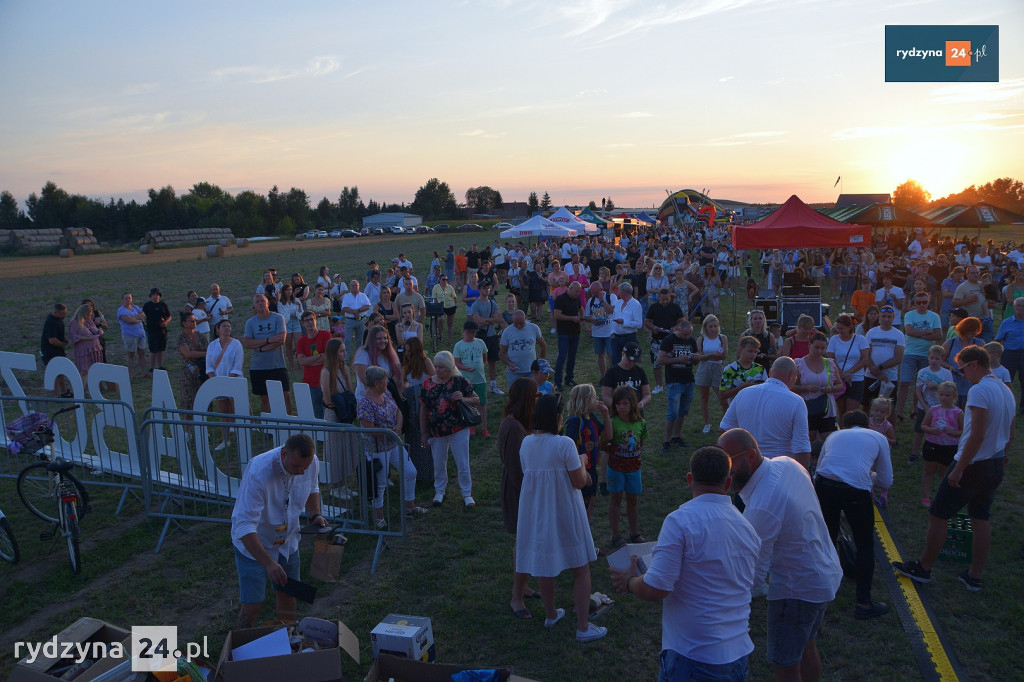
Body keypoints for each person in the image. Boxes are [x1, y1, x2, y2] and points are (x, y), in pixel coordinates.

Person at [610, 446, 761, 682]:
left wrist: (629, 581)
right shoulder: (747, 528)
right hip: (737, 655)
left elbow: (656, 588)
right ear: (728, 482)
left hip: (694, 656)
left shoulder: (680, 522)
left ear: (690, 479)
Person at [718, 428, 843, 682]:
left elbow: (752, 578)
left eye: (728, 462)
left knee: (785, 666)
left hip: (796, 591)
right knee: (807, 646)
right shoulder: (787, 464)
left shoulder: (763, 505)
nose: (723, 472)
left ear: (750, 456)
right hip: (824, 571)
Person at [893, 346, 1014, 592]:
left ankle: (924, 568)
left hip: (973, 463)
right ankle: (974, 576)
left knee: (938, 514)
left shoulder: (980, 390)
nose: (961, 375)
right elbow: (1010, 431)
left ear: (974, 365)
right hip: (995, 462)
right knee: (981, 517)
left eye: (962, 370)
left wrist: (959, 468)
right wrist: (1002, 455)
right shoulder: (1005, 389)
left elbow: (976, 435)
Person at [515, 394, 606, 642]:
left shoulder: (526, 444)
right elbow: (578, 482)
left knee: (545, 564)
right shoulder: (564, 443)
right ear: (557, 417)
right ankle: (583, 627)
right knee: (581, 567)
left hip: (537, 512)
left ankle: (551, 614)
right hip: (565, 510)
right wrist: (584, 464)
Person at [231, 433, 326, 627]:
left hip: (288, 542)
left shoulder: (311, 462)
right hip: (255, 545)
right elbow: (244, 525)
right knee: (252, 603)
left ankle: (288, 641)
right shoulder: (259, 471)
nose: (301, 472)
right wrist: (268, 564)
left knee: (289, 593)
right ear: (284, 454)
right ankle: (241, 649)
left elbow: (313, 487)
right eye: (296, 466)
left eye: (305, 467)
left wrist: (315, 515)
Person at [814, 410, 893, 620]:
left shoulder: (833, 436)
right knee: (865, 544)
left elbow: (819, 469)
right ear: (867, 424)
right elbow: (886, 481)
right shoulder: (878, 438)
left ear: (843, 424)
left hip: (824, 483)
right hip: (855, 490)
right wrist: (871, 476)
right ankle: (864, 603)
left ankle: (821, 591)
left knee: (826, 538)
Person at [358, 366, 426, 528]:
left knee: (410, 471)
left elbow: (398, 412)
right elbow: (368, 429)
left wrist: (398, 426)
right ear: (376, 383)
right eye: (384, 380)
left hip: (394, 443)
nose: (388, 382)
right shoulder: (364, 403)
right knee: (380, 483)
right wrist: (390, 432)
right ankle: (379, 517)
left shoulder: (386, 393)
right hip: (378, 449)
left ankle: (410, 507)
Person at [498, 378, 542, 619]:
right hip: (519, 492)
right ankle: (516, 598)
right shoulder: (513, 427)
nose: (538, 399)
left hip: (523, 490)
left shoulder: (518, 423)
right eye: (535, 396)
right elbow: (516, 468)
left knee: (524, 543)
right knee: (524, 544)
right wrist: (530, 497)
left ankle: (522, 585)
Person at [719, 357, 811, 467]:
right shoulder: (796, 401)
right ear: (792, 376)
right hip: (779, 468)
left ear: (771, 372)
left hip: (747, 465)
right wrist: (802, 477)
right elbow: (801, 447)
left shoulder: (743, 393)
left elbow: (725, 429)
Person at [420, 351, 480, 508]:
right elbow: (423, 409)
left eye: (441, 367)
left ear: (449, 368)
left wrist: (463, 398)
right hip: (436, 430)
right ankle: (439, 491)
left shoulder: (459, 381)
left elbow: (476, 399)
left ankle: (467, 493)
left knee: (462, 461)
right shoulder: (427, 384)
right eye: (436, 366)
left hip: (458, 428)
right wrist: (423, 433)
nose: (438, 370)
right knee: (438, 461)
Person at [606, 386, 648, 549]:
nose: (621, 407)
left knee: (633, 500)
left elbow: (642, 441)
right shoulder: (613, 423)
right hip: (616, 468)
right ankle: (616, 534)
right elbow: (606, 443)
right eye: (618, 404)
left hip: (633, 468)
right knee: (615, 500)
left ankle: (634, 532)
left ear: (633, 404)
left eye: (625, 403)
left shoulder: (640, 423)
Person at [563, 384, 611, 526]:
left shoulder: (593, 418)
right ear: (586, 400)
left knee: (590, 504)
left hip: (592, 469)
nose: (598, 399)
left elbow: (608, 435)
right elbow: (570, 448)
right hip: (580, 469)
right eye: (594, 397)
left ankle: (586, 540)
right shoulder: (575, 421)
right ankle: (578, 539)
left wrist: (606, 415)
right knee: (580, 507)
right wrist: (582, 470)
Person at [320, 337, 358, 500]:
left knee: (346, 447)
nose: (345, 353)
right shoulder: (326, 372)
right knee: (335, 450)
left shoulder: (345, 370)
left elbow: (350, 391)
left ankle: (343, 485)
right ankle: (335, 486)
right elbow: (327, 399)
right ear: (334, 353)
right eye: (341, 351)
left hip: (345, 414)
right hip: (333, 415)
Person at [897, 292, 943, 421]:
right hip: (910, 353)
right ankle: (899, 412)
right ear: (914, 303)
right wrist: (928, 332)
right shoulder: (909, 315)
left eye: (924, 302)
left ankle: (916, 410)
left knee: (921, 384)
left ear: (928, 302)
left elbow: (938, 335)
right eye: (918, 302)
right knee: (904, 383)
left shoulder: (934, 316)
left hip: (927, 355)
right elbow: (909, 331)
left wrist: (918, 334)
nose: (921, 305)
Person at [792, 332, 843, 447]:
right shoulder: (799, 364)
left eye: (822, 348)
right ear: (809, 345)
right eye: (816, 347)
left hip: (826, 408)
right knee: (807, 442)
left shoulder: (829, 363)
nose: (819, 351)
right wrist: (806, 388)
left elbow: (840, 385)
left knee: (830, 442)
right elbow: (791, 387)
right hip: (807, 408)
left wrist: (831, 388)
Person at [657, 319, 699, 452]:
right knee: (672, 413)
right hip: (674, 381)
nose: (687, 337)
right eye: (685, 334)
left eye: (689, 334)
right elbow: (660, 359)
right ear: (678, 330)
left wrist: (696, 358)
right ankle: (666, 440)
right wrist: (677, 359)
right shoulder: (668, 340)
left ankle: (676, 436)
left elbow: (696, 361)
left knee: (682, 412)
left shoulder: (692, 341)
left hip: (689, 381)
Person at [919, 381, 963, 507]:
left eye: (947, 395)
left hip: (950, 447)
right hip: (932, 444)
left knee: (945, 473)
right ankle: (926, 496)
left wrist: (953, 432)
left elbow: (964, 431)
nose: (944, 398)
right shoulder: (933, 410)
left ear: (954, 396)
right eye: (942, 395)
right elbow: (923, 425)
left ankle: (942, 496)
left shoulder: (958, 413)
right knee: (929, 471)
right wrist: (931, 430)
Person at [909, 345, 955, 463]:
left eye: (937, 359)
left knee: (937, 429)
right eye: (932, 358)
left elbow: (950, 389)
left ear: (942, 359)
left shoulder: (946, 374)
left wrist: (936, 386)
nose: (934, 361)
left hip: (941, 408)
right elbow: (918, 390)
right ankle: (914, 453)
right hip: (924, 405)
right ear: (928, 358)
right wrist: (924, 405)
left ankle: (934, 450)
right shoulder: (922, 372)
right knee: (919, 429)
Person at [454, 320, 491, 436]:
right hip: (466, 379)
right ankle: (471, 427)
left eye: (474, 333)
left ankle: (484, 428)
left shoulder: (480, 342)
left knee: (482, 403)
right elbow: (456, 363)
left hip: (480, 378)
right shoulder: (459, 345)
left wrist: (478, 365)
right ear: (463, 332)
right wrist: (465, 368)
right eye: (469, 333)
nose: (471, 335)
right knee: (468, 403)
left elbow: (485, 357)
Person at [645, 288, 685, 395]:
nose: (665, 301)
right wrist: (653, 327)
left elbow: (682, 321)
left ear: (670, 297)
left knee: (674, 362)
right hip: (657, 339)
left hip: (672, 339)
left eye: (667, 299)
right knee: (656, 363)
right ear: (659, 298)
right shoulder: (654, 307)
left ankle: (674, 384)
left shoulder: (675, 307)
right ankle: (659, 385)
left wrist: (675, 327)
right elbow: (647, 322)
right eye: (663, 299)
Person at [863, 306, 905, 409]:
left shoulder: (899, 334)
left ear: (893, 317)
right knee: (867, 406)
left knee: (888, 409)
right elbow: (866, 354)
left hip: (889, 377)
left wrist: (879, 368)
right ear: (879, 317)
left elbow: (898, 357)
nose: (886, 319)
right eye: (884, 316)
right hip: (871, 375)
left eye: (889, 316)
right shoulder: (871, 332)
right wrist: (874, 370)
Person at [470, 281, 505, 396]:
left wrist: (486, 320)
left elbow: (499, 318)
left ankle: (493, 385)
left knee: (492, 361)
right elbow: (477, 322)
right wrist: (491, 320)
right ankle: (476, 385)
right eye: (485, 288)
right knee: (478, 362)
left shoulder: (492, 303)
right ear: (479, 289)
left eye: (488, 288)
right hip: (481, 336)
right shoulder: (476, 304)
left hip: (492, 336)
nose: (487, 290)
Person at [296, 310, 333, 419]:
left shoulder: (326, 335)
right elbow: (301, 361)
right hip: (311, 382)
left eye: (312, 319)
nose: (310, 322)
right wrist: (319, 356)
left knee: (331, 410)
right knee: (317, 413)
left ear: (316, 320)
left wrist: (309, 360)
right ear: (303, 324)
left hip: (327, 380)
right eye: (307, 321)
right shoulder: (301, 341)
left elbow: (329, 357)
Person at [695, 314, 728, 435]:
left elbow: (724, 355)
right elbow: (700, 357)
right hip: (704, 369)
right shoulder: (701, 339)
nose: (713, 329)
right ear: (705, 327)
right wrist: (714, 354)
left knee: (722, 397)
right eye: (710, 326)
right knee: (704, 397)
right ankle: (707, 423)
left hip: (717, 368)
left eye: (715, 326)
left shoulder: (722, 338)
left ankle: (727, 422)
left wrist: (707, 356)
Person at [942, 316, 984, 408]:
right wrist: (949, 366)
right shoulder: (951, 342)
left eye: (974, 332)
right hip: (953, 381)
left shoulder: (980, 344)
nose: (972, 334)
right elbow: (940, 360)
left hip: (971, 383)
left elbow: (984, 363)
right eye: (969, 331)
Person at [353, 324, 402, 402]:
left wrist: (388, 387)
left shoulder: (390, 353)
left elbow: (397, 374)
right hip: (367, 400)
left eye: (385, 338)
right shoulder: (363, 354)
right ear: (372, 340)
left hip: (388, 398)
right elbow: (365, 380)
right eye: (379, 338)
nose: (383, 341)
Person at [175, 311, 208, 422]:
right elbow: (188, 354)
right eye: (192, 321)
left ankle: (202, 427)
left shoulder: (201, 335)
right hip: (188, 372)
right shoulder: (181, 338)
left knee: (202, 400)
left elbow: (209, 351)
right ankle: (187, 431)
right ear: (184, 323)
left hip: (202, 369)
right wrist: (205, 354)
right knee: (188, 401)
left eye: (195, 320)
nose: (195, 322)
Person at [499, 309, 546, 386]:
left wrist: (540, 363)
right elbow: (502, 353)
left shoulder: (534, 328)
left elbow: (543, 346)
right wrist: (509, 363)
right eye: (516, 323)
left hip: (531, 371)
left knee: (532, 394)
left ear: (526, 318)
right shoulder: (507, 332)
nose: (519, 326)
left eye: (521, 323)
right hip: (514, 372)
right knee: (514, 395)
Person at [600, 341, 652, 410]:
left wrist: (641, 403)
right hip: (617, 414)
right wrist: (618, 407)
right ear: (623, 354)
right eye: (629, 360)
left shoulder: (640, 371)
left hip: (636, 413)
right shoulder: (611, 372)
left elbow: (647, 394)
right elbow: (606, 396)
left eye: (635, 361)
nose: (632, 363)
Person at [552, 281, 584, 391]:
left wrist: (582, 318)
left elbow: (580, 309)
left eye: (579, 291)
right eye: (576, 291)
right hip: (564, 332)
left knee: (572, 356)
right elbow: (557, 315)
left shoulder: (577, 299)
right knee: (562, 356)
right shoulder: (561, 299)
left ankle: (569, 378)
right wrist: (572, 318)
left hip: (575, 332)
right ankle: (557, 381)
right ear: (570, 289)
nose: (578, 293)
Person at [994, 297, 1024, 412]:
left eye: (1023, 306)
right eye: (1018, 306)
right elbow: (998, 340)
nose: (1020, 308)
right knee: (1006, 381)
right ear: (1014, 307)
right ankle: (1005, 404)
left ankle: (1023, 407)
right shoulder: (1006, 323)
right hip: (1010, 354)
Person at [583, 281, 616, 377]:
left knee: (611, 355)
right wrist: (592, 320)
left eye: (596, 293)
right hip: (597, 333)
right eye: (592, 293)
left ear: (601, 290)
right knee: (600, 355)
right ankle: (603, 376)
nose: (594, 295)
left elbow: (612, 310)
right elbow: (586, 316)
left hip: (610, 332)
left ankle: (613, 376)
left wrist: (602, 301)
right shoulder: (591, 300)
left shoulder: (611, 297)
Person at [952, 266, 990, 341]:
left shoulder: (983, 284)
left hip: (985, 319)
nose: (975, 275)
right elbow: (954, 303)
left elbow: (991, 298)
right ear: (967, 274)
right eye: (972, 273)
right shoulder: (963, 287)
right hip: (971, 320)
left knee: (986, 343)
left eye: (977, 273)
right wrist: (969, 300)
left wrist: (992, 304)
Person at [610, 282, 644, 365]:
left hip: (629, 338)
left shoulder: (635, 304)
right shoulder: (618, 303)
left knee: (629, 362)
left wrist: (624, 322)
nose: (617, 292)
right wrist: (612, 332)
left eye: (619, 290)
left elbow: (639, 324)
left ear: (624, 292)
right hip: (616, 338)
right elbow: (613, 318)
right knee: (615, 362)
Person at [40, 303, 70, 397]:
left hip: (57, 351)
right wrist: (62, 345)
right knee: (55, 373)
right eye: (62, 314)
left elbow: (57, 333)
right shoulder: (51, 322)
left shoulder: (58, 320)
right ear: (56, 313)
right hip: (50, 352)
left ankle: (64, 392)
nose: (64, 316)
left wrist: (64, 339)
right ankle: (56, 395)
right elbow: (52, 340)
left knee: (61, 372)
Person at [68, 303, 103, 382]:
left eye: (90, 315)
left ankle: (94, 387)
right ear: (82, 313)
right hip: (83, 350)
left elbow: (94, 329)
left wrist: (99, 331)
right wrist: (87, 338)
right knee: (84, 371)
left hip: (93, 348)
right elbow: (74, 337)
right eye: (87, 314)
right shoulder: (74, 323)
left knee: (95, 369)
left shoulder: (88, 320)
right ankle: (80, 390)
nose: (88, 316)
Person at [142, 287, 172, 374]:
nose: (155, 296)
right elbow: (142, 315)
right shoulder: (147, 305)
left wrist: (166, 322)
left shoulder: (163, 305)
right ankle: (151, 367)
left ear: (159, 296)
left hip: (162, 330)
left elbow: (169, 316)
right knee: (153, 349)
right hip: (151, 330)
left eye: (157, 295)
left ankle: (159, 365)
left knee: (160, 349)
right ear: (151, 296)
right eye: (153, 295)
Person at [341, 280, 371, 361]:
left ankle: (358, 358)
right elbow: (344, 308)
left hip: (361, 320)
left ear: (359, 286)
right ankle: (345, 358)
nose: (355, 287)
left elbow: (367, 306)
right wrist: (354, 312)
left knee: (360, 340)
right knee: (347, 340)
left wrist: (357, 311)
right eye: (353, 285)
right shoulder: (347, 296)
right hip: (349, 321)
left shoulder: (363, 296)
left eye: (356, 285)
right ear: (350, 287)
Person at [431, 274, 459, 344]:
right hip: (441, 306)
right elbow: (434, 298)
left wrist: (456, 305)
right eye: (443, 279)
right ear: (439, 280)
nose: (445, 281)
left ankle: (450, 341)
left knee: (450, 323)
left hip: (450, 305)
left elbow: (454, 297)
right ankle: (440, 336)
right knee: (441, 319)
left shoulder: (450, 287)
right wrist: (436, 305)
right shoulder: (436, 287)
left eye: (446, 279)